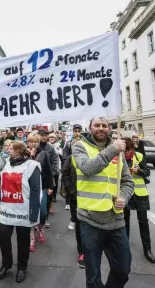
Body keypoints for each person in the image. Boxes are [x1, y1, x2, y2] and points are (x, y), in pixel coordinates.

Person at [72, 117, 134, 288]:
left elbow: (128, 182)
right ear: (90, 128)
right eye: (97, 125)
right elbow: (87, 168)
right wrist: (112, 150)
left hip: (116, 220)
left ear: (109, 128)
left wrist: (124, 196)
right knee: (93, 276)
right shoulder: (79, 146)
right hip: (90, 220)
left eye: (104, 126)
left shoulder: (117, 150)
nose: (101, 128)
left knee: (123, 269)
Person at [0, 141, 41, 283]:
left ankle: (22, 267)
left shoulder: (32, 166)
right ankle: (6, 264)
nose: (9, 150)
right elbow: (3, 183)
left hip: (23, 211)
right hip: (6, 210)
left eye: (11, 149)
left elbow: (35, 190)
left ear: (19, 152)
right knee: (3, 237)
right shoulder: (8, 163)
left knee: (23, 240)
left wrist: (34, 214)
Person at [123, 137, 155, 263]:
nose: (126, 153)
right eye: (124, 150)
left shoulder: (139, 156)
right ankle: (124, 250)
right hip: (125, 194)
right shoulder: (118, 159)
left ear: (132, 148)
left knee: (143, 221)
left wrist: (138, 170)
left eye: (128, 150)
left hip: (140, 193)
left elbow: (147, 172)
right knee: (124, 222)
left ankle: (147, 250)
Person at [27, 133, 53, 252]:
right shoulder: (24, 154)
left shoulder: (44, 154)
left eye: (35, 142)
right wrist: (30, 157)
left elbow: (48, 170)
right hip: (28, 188)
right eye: (30, 141)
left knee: (42, 212)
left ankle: (40, 229)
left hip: (41, 187)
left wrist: (50, 186)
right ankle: (32, 238)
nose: (33, 144)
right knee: (31, 214)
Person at [61, 144, 84, 268]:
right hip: (75, 197)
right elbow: (65, 174)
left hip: (89, 197)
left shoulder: (91, 157)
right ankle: (82, 252)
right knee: (79, 225)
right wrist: (71, 190)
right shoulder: (71, 158)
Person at [38, 128, 59, 222]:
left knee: (47, 198)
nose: (44, 137)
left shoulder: (50, 148)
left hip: (47, 177)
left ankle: (45, 218)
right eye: (42, 135)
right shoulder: (35, 146)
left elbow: (55, 161)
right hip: (36, 177)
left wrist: (52, 173)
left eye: (45, 135)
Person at [63, 124, 83, 211]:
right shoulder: (68, 144)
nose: (77, 133)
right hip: (70, 166)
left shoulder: (85, 142)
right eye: (75, 131)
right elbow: (65, 156)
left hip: (81, 166)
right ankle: (68, 202)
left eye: (79, 131)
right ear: (73, 132)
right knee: (69, 184)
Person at [0, 140, 12, 209]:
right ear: (3, 147)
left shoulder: (14, 157)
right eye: (6, 145)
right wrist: (0, 174)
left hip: (10, 182)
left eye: (9, 145)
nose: (8, 147)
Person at [48, 132, 62, 203]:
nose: (52, 138)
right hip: (49, 167)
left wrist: (59, 168)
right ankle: (49, 196)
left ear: (55, 138)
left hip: (56, 167)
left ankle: (54, 196)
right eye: (50, 137)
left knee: (56, 183)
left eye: (53, 137)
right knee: (50, 183)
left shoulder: (58, 146)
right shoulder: (47, 145)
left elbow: (60, 155)